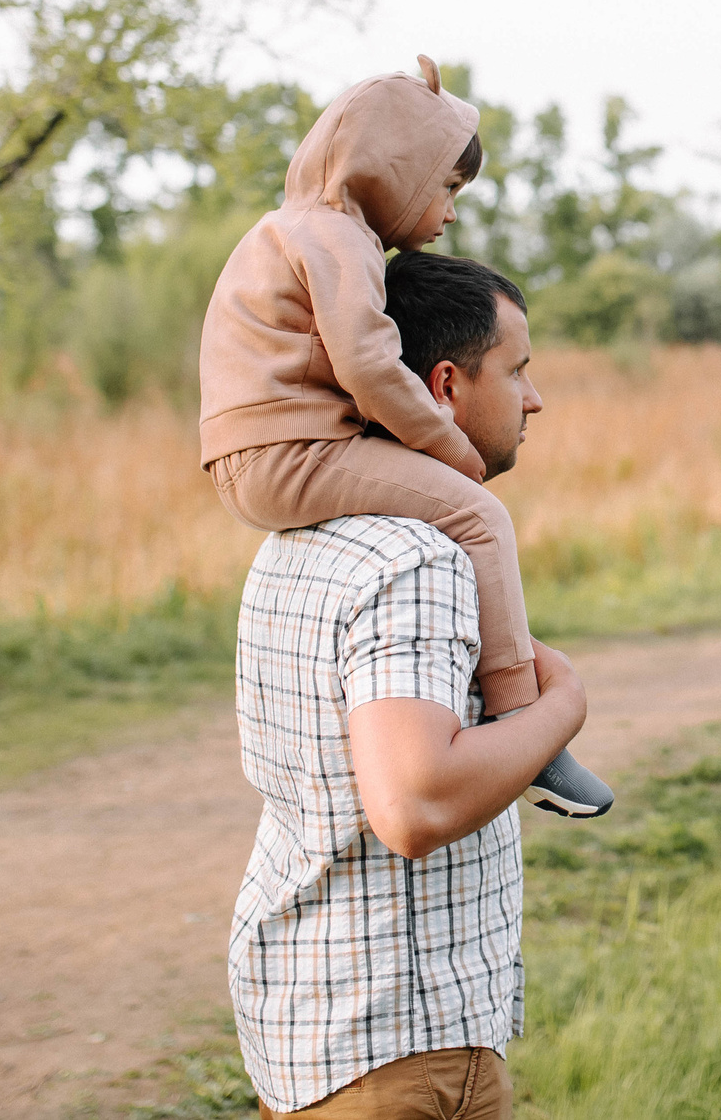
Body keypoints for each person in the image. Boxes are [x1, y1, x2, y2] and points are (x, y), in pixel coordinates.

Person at [197, 55, 610, 818]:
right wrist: (451, 452)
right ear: (397, 166)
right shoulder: (336, 234)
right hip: (291, 449)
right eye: (448, 185)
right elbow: (368, 361)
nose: (450, 209)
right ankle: (525, 719)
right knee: (476, 514)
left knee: (456, 507)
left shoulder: (294, 227)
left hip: (252, 449)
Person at [229, 249, 581, 1117]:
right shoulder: (417, 558)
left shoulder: (300, 537)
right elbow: (414, 805)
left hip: (318, 1022)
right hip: (401, 1050)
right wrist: (565, 709)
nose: (535, 398)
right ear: (447, 384)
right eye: (520, 369)